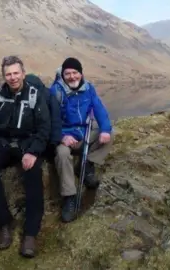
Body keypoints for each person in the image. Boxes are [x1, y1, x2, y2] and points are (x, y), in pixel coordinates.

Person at [0, 56, 51, 258]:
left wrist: (33, 151)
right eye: (8, 74)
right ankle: (3, 223)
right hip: (3, 143)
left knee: (33, 174)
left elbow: (44, 128)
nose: (12, 77)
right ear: (4, 76)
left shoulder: (35, 95)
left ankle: (30, 233)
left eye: (16, 73)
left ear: (23, 73)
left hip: (27, 144)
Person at [49, 57, 114, 223]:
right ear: (63, 75)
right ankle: (69, 197)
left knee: (109, 134)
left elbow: (99, 109)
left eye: (75, 72)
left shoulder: (88, 88)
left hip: (84, 133)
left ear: (81, 73)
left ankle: (87, 165)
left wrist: (105, 130)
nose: (72, 77)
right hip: (65, 137)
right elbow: (50, 121)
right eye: (67, 73)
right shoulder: (55, 92)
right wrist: (62, 136)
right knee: (62, 155)